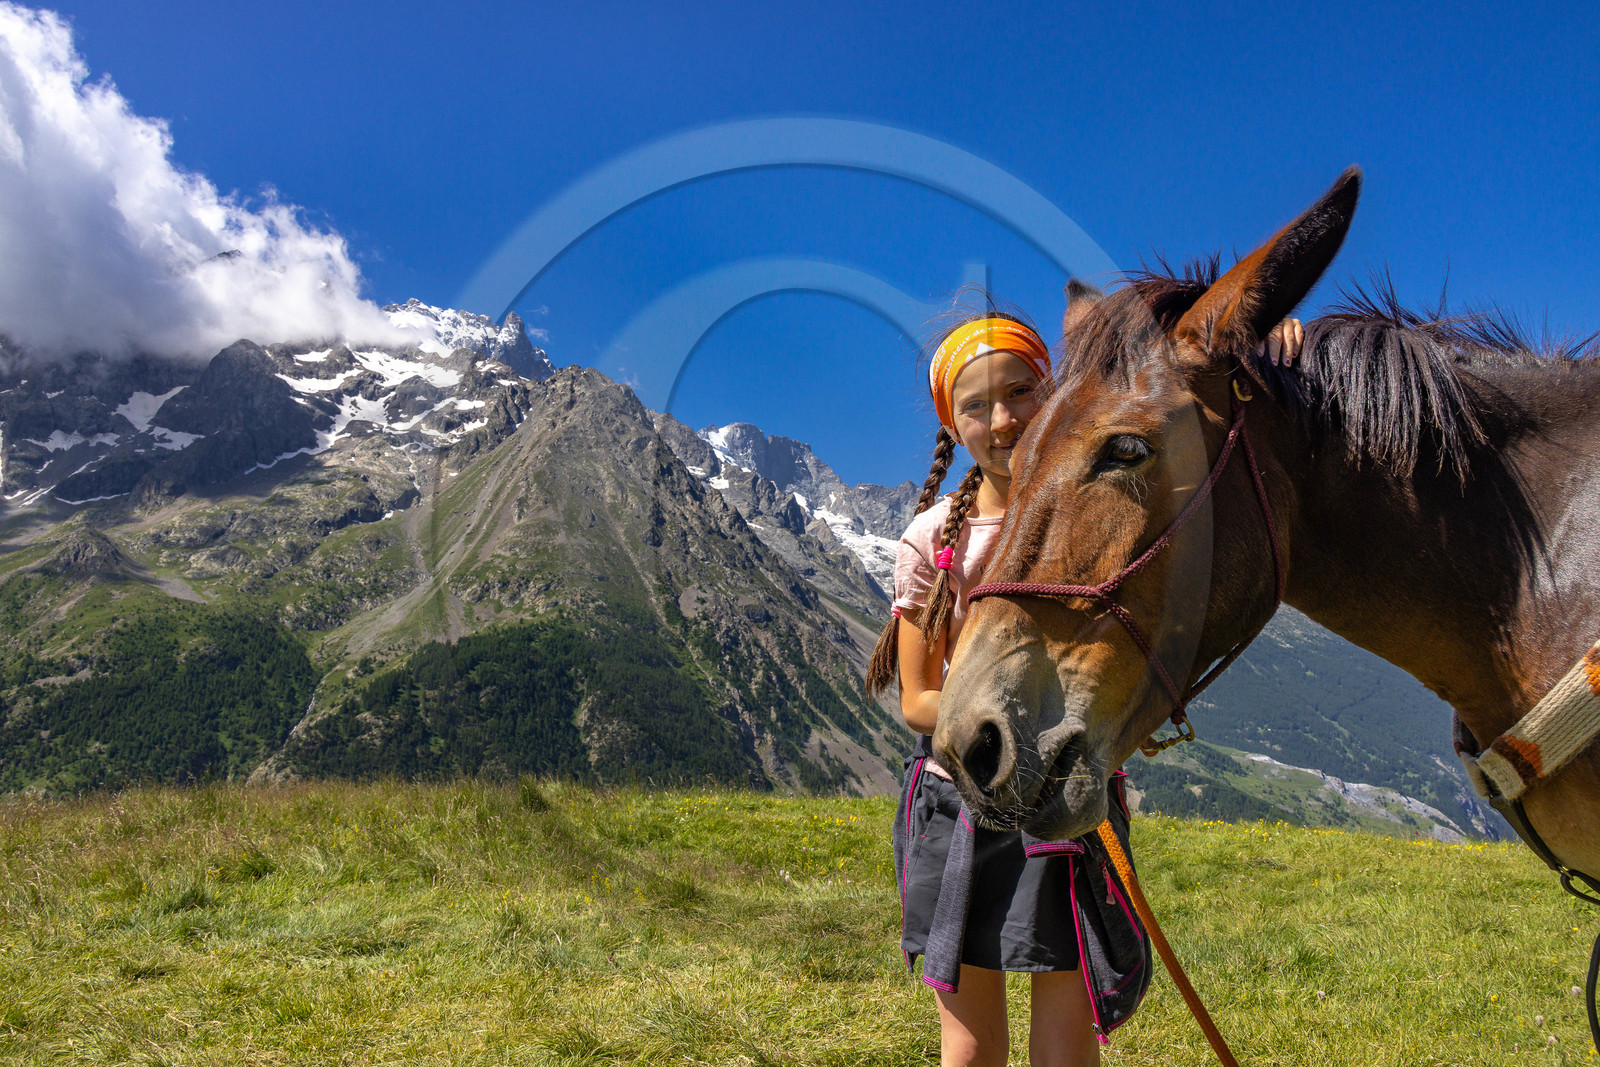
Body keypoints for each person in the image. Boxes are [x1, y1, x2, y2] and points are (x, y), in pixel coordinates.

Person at [870, 304, 1302, 1067]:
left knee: (1066, 1042)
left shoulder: (1093, 513)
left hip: (1062, 799)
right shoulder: (933, 539)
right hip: (960, 800)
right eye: (976, 405)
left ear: (1057, 392)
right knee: (970, 1047)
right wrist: (1018, 729)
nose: (1003, 418)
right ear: (951, 422)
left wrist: (1264, 350)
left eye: (1021, 392)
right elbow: (915, 699)